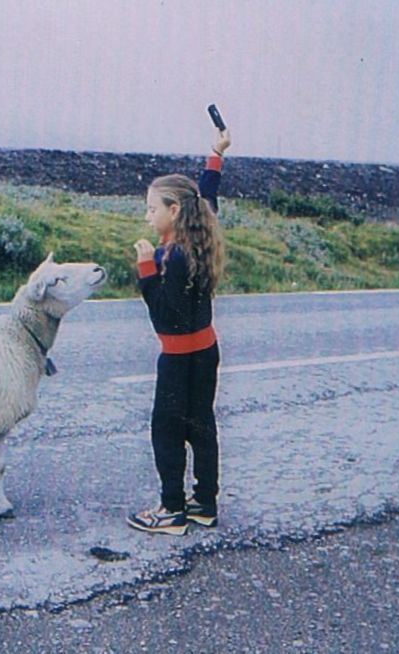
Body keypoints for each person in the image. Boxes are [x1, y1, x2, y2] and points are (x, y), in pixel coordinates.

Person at [127, 128, 231, 536]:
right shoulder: (199, 232)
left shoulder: (173, 256)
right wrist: (214, 156)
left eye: (152, 209)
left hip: (178, 358)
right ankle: (204, 503)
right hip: (205, 352)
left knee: (167, 429)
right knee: (201, 425)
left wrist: (146, 269)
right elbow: (206, 196)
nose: (147, 216)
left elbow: (164, 317)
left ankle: (171, 510)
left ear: (173, 210)